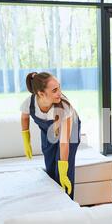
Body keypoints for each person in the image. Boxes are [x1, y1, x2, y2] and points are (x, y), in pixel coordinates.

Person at [20, 72, 81, 200]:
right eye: (54, 90)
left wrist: (63, 171)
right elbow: (24, 118)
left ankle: (67, 205)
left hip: (70, 131)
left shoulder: (64, 106)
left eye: (59, 87)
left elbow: (64, 142)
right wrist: (26, 141)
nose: (59, 93)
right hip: (49, 131)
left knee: (63, 169)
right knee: (50, 166)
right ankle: (52, 202)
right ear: (41, 94)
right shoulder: (30, 103)